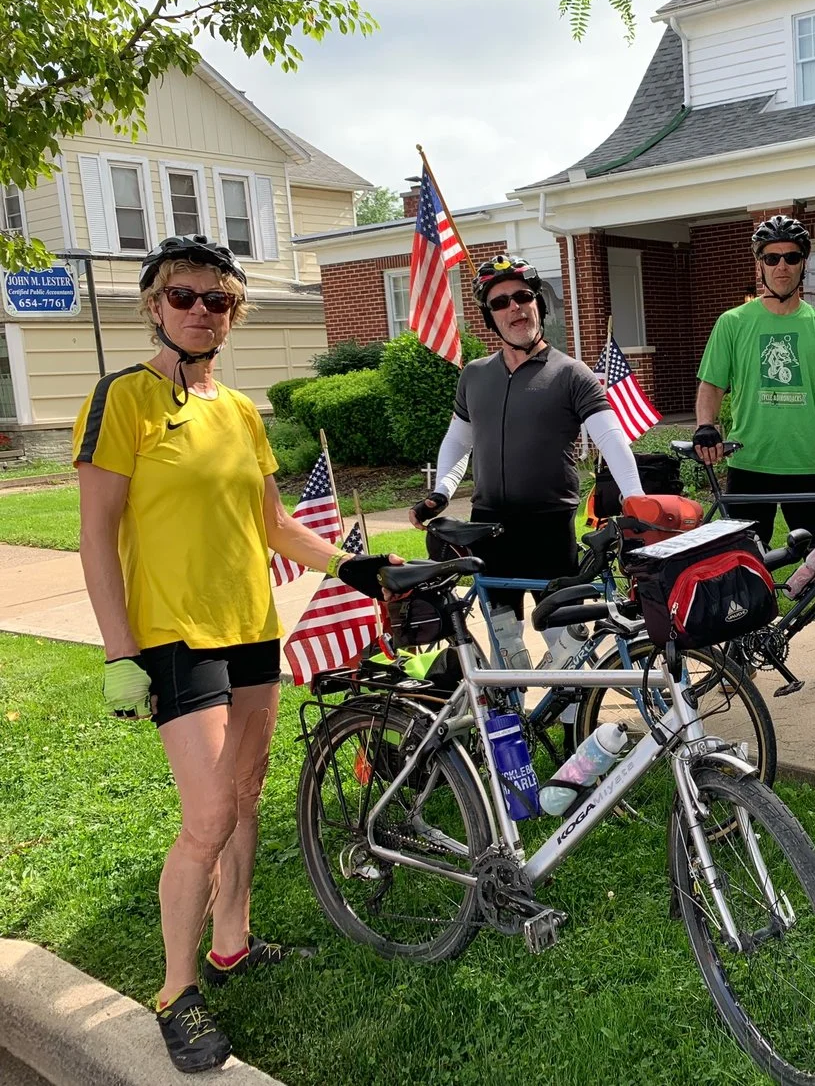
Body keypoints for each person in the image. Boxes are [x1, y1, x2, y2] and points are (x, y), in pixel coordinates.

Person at [75, 235, 398, 1073]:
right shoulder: (124, 399)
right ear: (154, 305)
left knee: (247, 794)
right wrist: (121, 651)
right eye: (182, 296)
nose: (199, 311)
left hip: (252, 629)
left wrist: (350, 563)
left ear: (234, 313)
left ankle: (233, 942)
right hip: (174, 638)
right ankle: (176, 990)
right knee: (209, 816)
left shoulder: (241, 410)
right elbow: (96, 536)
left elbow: (274, 525)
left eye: (216, 300)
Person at [693, 215, 815, 694]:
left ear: (803, 264)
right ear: (758, 264)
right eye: (772, 258)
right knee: (739, 566)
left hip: (808, 465)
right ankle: (737, 652)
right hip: (749, 465)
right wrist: (705, 426)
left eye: (791, 257)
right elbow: (711, 384)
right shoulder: (733, 323)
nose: (781, 266)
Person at [410, 255, 643, 629]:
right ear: (491, 318)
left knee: (568, 643)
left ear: (538, 304)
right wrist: (441, 492)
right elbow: (458, 440)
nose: (514, 307)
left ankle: (570, 688)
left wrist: (636, 502)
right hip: (489, 528)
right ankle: (507, 690)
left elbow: (611, 438)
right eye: (500, 303)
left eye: (522, 296)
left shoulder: (571, 373)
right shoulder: (474, 375)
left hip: (549, 529)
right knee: (506, 643)